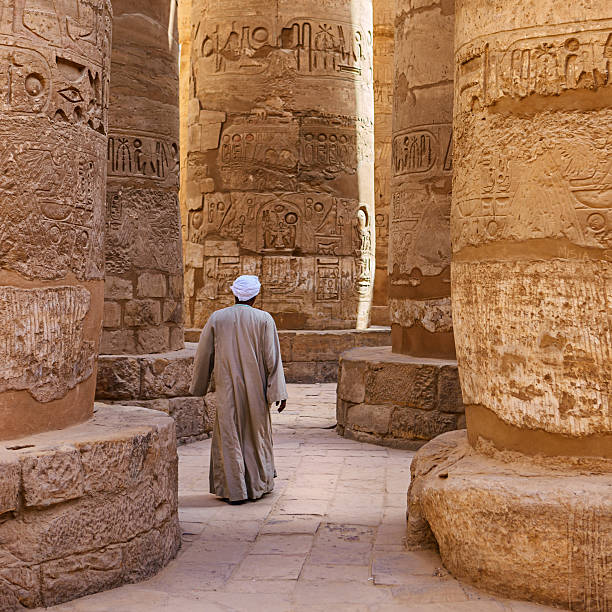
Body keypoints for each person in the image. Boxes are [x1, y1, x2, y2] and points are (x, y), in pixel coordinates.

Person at [189, 275, 288, 503]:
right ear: (255, 296)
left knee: (230, 435)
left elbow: (204, 356)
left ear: (234, 294)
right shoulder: (264, 319)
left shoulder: (217, 318)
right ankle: (257, 485)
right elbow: (272, 359)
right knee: (256, 434)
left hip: (227, 389)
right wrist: (278, 393)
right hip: (256, 389)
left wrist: (199, 387)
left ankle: (234, 490)